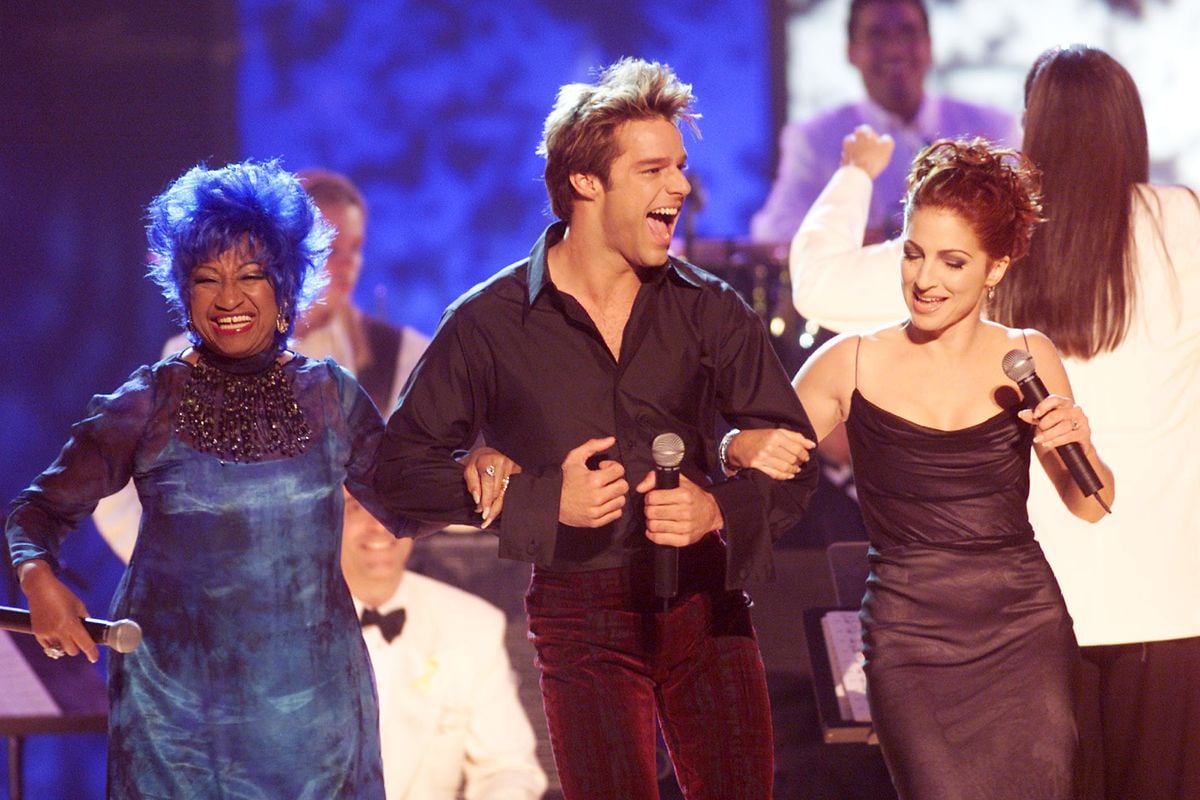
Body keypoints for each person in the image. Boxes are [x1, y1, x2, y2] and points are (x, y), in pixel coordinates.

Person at [373, 58, 820, 800]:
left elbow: (795, 461)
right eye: (653, 170)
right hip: (582, 616)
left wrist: (717, 508)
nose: (680, 186)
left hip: (708, 607)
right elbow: (397, 470)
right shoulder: (490, 323)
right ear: (586, 182)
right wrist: (539, 501)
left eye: (680, 167)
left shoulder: (710, 310)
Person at [789, 46, 1200, 800]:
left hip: (1029, 607)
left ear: (1032, 125)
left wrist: (856, 170)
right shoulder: (1184, 223)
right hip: (1165, 600)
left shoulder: (990, 238)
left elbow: (817, 284)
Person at [6, 159, 411, 798]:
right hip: (177, 725)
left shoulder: (332, 396)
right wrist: (39, 578)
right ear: (181, 287)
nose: (228, 298)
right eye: (206, 278)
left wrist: (492, 473)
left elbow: (410, 501)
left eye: (251, 275)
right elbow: (35, 514)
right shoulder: (146, 401)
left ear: (285, 283)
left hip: (316, 724)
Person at [731, 138, 1115, 799]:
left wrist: (1083, 442)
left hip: (1024, 629)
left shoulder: (1028, 355)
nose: (925, 278)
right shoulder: (851, 360)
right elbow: (758, 461)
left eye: (953, 261)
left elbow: (1091, 502)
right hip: (910, 638)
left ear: (996, 268)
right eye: (913, 253)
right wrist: (733, 447)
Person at [92, 167, 429, 563]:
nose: (348, 264)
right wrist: (180, 570)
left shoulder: (399, 354)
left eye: (355, 248)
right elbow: (115, 490)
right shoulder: (195, 354)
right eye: (330, 248)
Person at [750, 0, 1016, 245]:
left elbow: (1023, 222)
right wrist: (866, 240)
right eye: (877, 35)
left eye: (908, 32)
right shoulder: (814, 139)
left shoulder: (993, 128)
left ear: (929, 45)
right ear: (851, 52)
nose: (895, 49)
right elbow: (773, 233)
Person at [341, 490, 547, 800]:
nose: (378, 526)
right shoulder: (283, 631)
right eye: (357, 508)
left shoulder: (473, 624)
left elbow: (507, 769)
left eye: (389, 507)